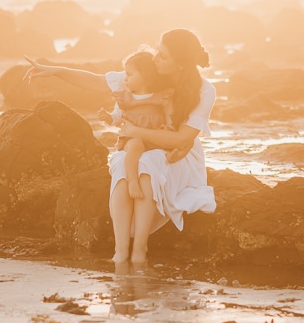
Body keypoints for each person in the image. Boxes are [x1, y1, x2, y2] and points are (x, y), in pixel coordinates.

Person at [27, 28, 216, 268]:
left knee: (147, 163)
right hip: (143, 145)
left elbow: (181, 140)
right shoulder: (148, 72)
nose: (156, 58)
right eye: (158, 51)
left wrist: (137, 132)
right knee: (122, 163)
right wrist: (55, 71)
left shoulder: (204, 90)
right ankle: (120, 250)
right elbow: (96, 81)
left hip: (179, 156)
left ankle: (140, 249)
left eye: (163, 56)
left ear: (180, 64)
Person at [111, 49, 175, 201]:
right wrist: (108, 117)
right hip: (131, 137)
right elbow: (117, 117)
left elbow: (169, 116)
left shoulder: (161, 96)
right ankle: (132, 180)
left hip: (153, 137)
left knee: (158, 152)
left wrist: (169, 127)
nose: (125, 79)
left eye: (129, 74)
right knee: (136, 146)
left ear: (145, 76)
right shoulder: (126, 98)